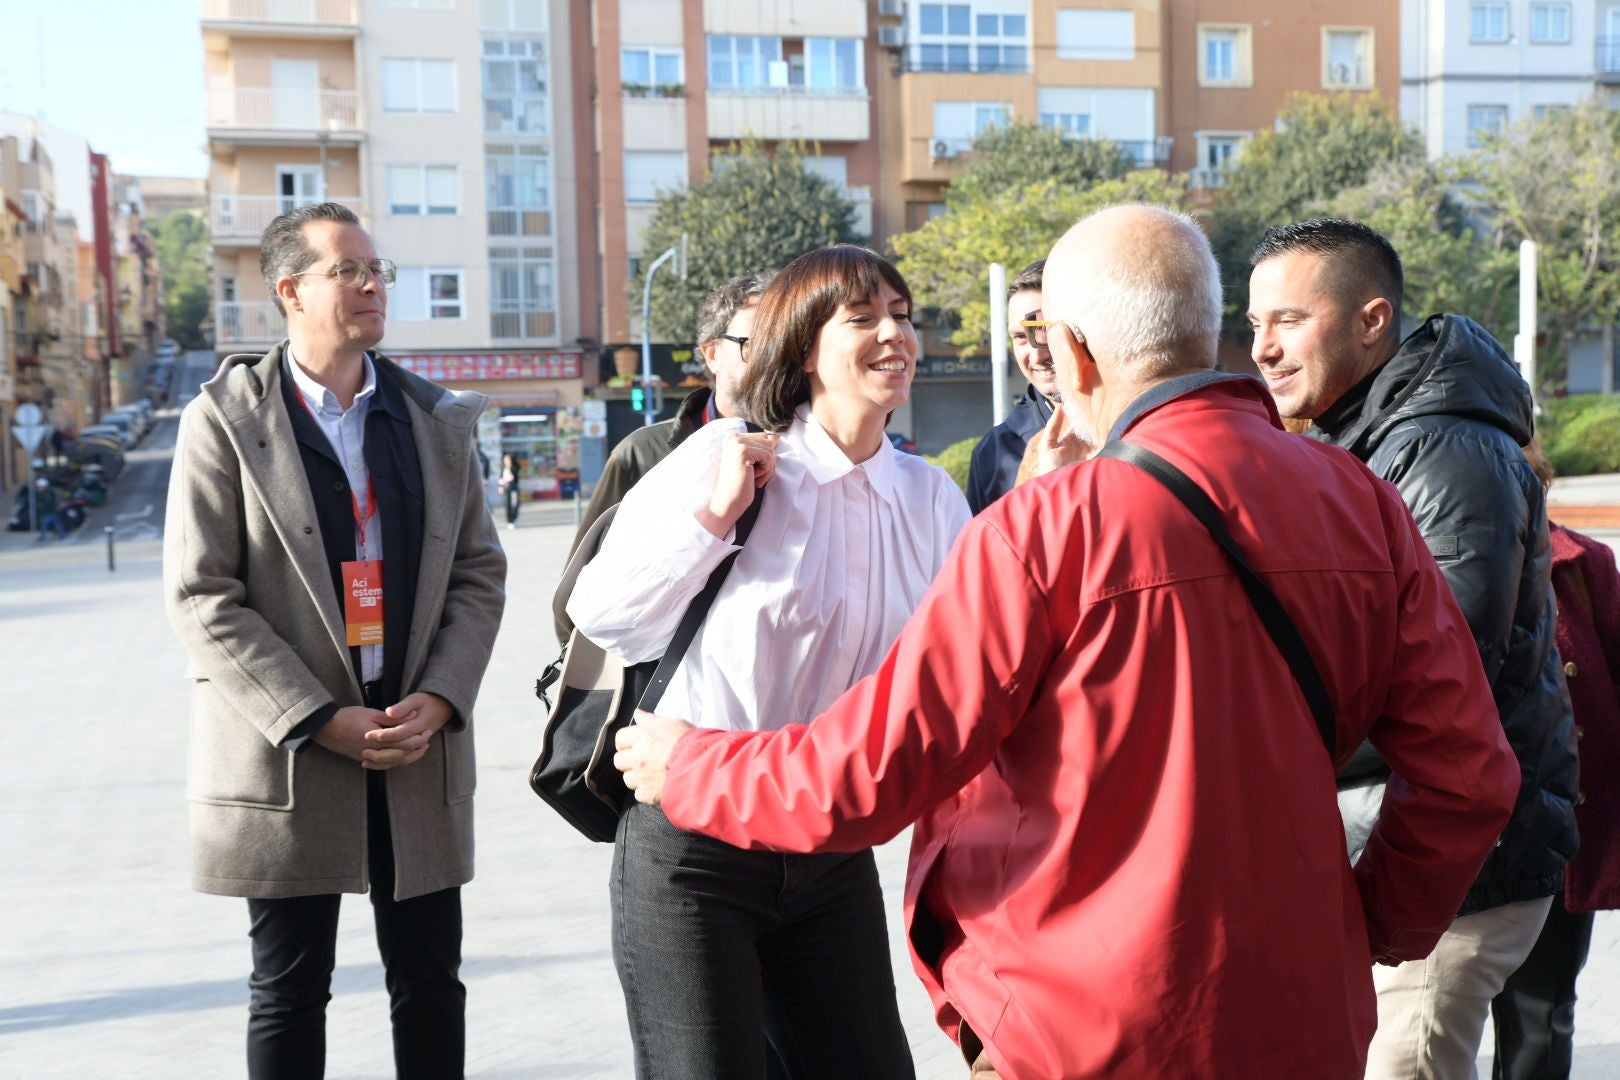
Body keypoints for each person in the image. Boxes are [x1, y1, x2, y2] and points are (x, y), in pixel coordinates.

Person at [612, 205, 1521, 1079]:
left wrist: (692, 766)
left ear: (1076, 353)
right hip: (1300, 1006)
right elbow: (1470, 774)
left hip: (1078, 1019)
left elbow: (871, 771)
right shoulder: (1356, 497)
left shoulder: (1037, 527)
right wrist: (1369, 925)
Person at [568, 245, 967, 1080]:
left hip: (826, 841)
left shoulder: (930, 499)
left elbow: (955, 671)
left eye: (902, 314)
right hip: (693, 849)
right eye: (863, 318)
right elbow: (602, 615)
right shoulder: (724, 465)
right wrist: (712, 519)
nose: (895, 334)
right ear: (802, 345)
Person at [162, 202, 507, 1080]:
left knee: (431, 981)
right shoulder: (225, 419)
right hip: (293, 753)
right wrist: (317, 717)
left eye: (375, 269)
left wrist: (440, 698)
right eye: (346, 270)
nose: (370, 284)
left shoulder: (435, 418)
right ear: (290, 291)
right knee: (288, 988)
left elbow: (478, 571)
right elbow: (203, 595)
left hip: (412, 745)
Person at [1247, 217, 1579, 1078]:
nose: (1265, 349)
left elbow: (1436, 674)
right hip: (1418, 845)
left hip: (1457, 869)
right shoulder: (1381, 433)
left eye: (1287, 320)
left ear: (1372, 319)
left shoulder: (1443, 447)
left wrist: (1263, 751)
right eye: (1254, 326)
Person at [1490, 442, 1620, 1080]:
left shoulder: (1583, 564)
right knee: (1429, 1025)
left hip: (1558, 837)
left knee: (1542, 1017)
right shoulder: (1426, 554)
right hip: (1460, 831)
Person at [556, 270, 772, 643]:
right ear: (712, 353)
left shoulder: (813, 456)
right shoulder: (643, 454)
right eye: (755, 343)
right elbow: (575, 607)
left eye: (786, 344)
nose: (773, 359)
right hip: (657, 690)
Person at [965, 259, 1056, 514]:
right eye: (1020, 338)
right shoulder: (993, 455)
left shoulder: (1135, 425)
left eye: (1044, 331)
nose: (1036, 356)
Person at [33, 477, 67, 541]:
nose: (39, 488)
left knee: (46, 524)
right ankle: (62, 535)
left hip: (48, 512)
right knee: (56, 523)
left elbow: (47, 503)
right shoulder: (49, 492)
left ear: (44, 486)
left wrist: (42, 507)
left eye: (40, 487)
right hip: (51, 511)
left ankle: (42, 537)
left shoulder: (47, 493)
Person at [499, 452, 521, 529]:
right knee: (508, 505)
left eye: (507, 459)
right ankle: (510, 521)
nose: (506, 461)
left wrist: (510, 467)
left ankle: (514, 518)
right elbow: (501, 479)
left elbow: (513, 478)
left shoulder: (515, 467)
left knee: (514, 504)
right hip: (507, 489)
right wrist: (500, 487)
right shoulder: (503, 469)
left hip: (514, 488)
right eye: (505, 460)